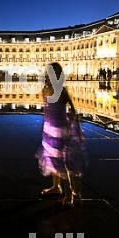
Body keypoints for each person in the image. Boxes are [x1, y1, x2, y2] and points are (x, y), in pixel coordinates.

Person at [36, 62, 86, 207]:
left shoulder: (63, 91)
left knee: (63, 162)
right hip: (49, 129)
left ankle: (70, 193)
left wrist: (73, 127)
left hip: (61, 130)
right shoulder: (44, 90)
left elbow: (74, 110)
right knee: (51, 158)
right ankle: (56, 187)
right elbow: (46, 109)